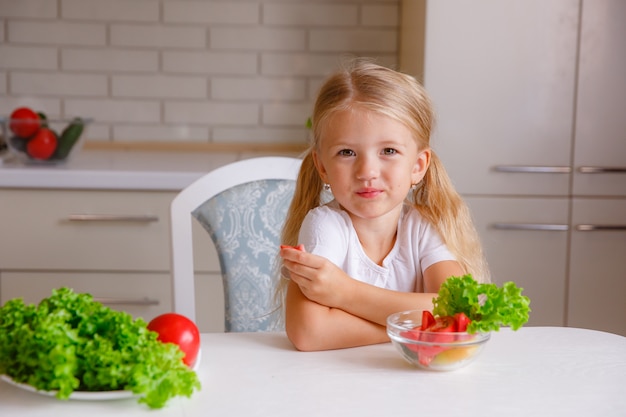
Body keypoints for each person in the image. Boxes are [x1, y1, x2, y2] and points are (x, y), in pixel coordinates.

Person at [278, 58, 489, 352]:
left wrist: (344, 293)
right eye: (347, 152)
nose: (367, 171)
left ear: (417, 165)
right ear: (322, 166)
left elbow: (457, 310)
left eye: (388, 150)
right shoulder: (325, 226)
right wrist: (419, 325)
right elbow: (309, 332)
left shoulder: (424, 227)